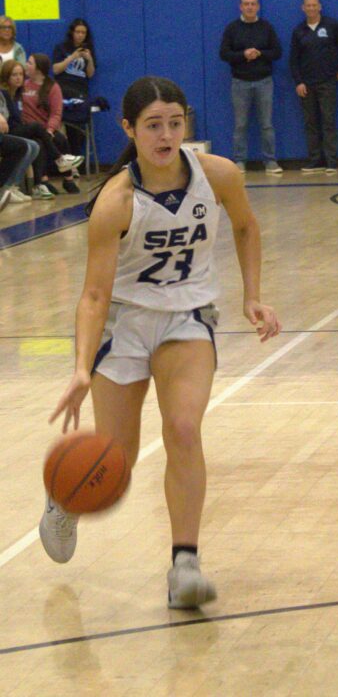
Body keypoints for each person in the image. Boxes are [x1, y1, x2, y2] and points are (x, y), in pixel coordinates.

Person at [41, 76, 281, 610]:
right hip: (124, 324)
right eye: (153, 125)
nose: (166, 134)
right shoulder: (116, 201)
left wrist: (252, 297)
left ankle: (185, 564)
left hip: (187, 319)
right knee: (116, 459)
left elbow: (246, 227)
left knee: (183, 427)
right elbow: (94, 294)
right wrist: (81, 368)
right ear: (129, 129)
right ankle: (65, 501)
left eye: (175, 123)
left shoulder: (218, 176)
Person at [219, 0, 284, 175]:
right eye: (246, 4)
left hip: (264, 82)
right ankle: (239, 161)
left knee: (266, 124)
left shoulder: (266, 27)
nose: (249, 7)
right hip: (240, 82)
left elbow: (277, 52)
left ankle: (270, 161)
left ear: (258, 7)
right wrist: (243, 55)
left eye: (253, 4)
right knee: (240, 124)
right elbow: (224, 53)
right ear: (240, 6)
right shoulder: (232, 28)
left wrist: (260, 53)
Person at [288, 0, 338, 174]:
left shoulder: (331, 25)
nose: (311, 8)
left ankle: (331, 161)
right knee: (310, 123)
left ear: (320, 6)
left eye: (314, 5)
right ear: (303, 8)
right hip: (307, 84)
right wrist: (298, 82)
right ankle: (315, 161)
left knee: (328, 121)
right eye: (308, 5)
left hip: (327, 82)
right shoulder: (298, 31)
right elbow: (293, 59)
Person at [0, 60, 81, 199]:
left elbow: (56, 113)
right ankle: (59, 160)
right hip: (12, 130)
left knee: (41, 142)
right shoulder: (8, 93)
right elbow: (11, 120)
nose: (19, 77)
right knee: (36, 131)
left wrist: (49, 129)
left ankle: (38, 184)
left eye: (20, 74)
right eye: (14, 75)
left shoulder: (21, 92)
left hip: (25, 128)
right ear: (6, 76)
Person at [22, 53, 84, 193]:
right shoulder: (23, 86)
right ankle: (43, 180)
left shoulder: (52, 87)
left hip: (45, 128)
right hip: (29, 128)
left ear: (38, 69)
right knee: (40, 144)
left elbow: (56, 113)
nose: (26, 65)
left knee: (61, 140)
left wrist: (50, 129)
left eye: (30, 63)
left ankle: (68, 179)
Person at [52, 18, 97, 157]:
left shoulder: (88, 50)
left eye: (83, 32)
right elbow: (56, 70)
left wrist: (89, 59)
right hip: (63, 89)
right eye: (77, 32)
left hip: (80, 91)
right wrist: (72, 57)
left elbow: (90, 74)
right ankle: (65, 158)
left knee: (79, 124)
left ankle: (75, 158)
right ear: (72, 32)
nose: (80, 35)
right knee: (63, 122)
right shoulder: (62, 48)